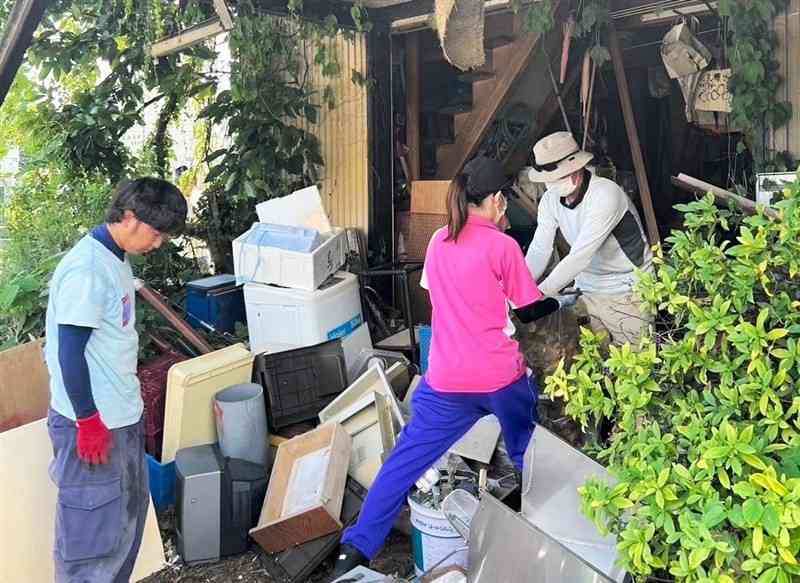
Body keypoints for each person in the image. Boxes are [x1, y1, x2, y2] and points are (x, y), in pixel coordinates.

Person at [333, 156, 575, 575]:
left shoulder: (439, 240)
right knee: (527, 456)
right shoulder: (503, 246)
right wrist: (562, 299)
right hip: (500, 378)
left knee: (405, 461)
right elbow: (531, 310)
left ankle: (352, 554)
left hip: (445, 378)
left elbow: (437, 295)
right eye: (505, 202)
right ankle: (553, 553)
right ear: (498, 201)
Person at [45, 178, 188, 582]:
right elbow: (68, 354)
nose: (159, 244)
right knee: (91, 549)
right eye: (156, 233)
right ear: (128, 217)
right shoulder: (87, 271)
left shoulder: (114, 258)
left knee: (122, 532)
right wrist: (88, 421)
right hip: (92, 427)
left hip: (119, 420)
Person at [525, 132, 653, 345]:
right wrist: (522, 287)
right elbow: (540, 249)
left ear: (575, 172)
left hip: (629, 289)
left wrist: (540, 294)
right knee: (595, 362)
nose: (550, 187)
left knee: (637, 367)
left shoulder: (605, 195)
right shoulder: (550, 200)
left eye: (554, 179)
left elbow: (579, 257)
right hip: (588, 287)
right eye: (547, 181)